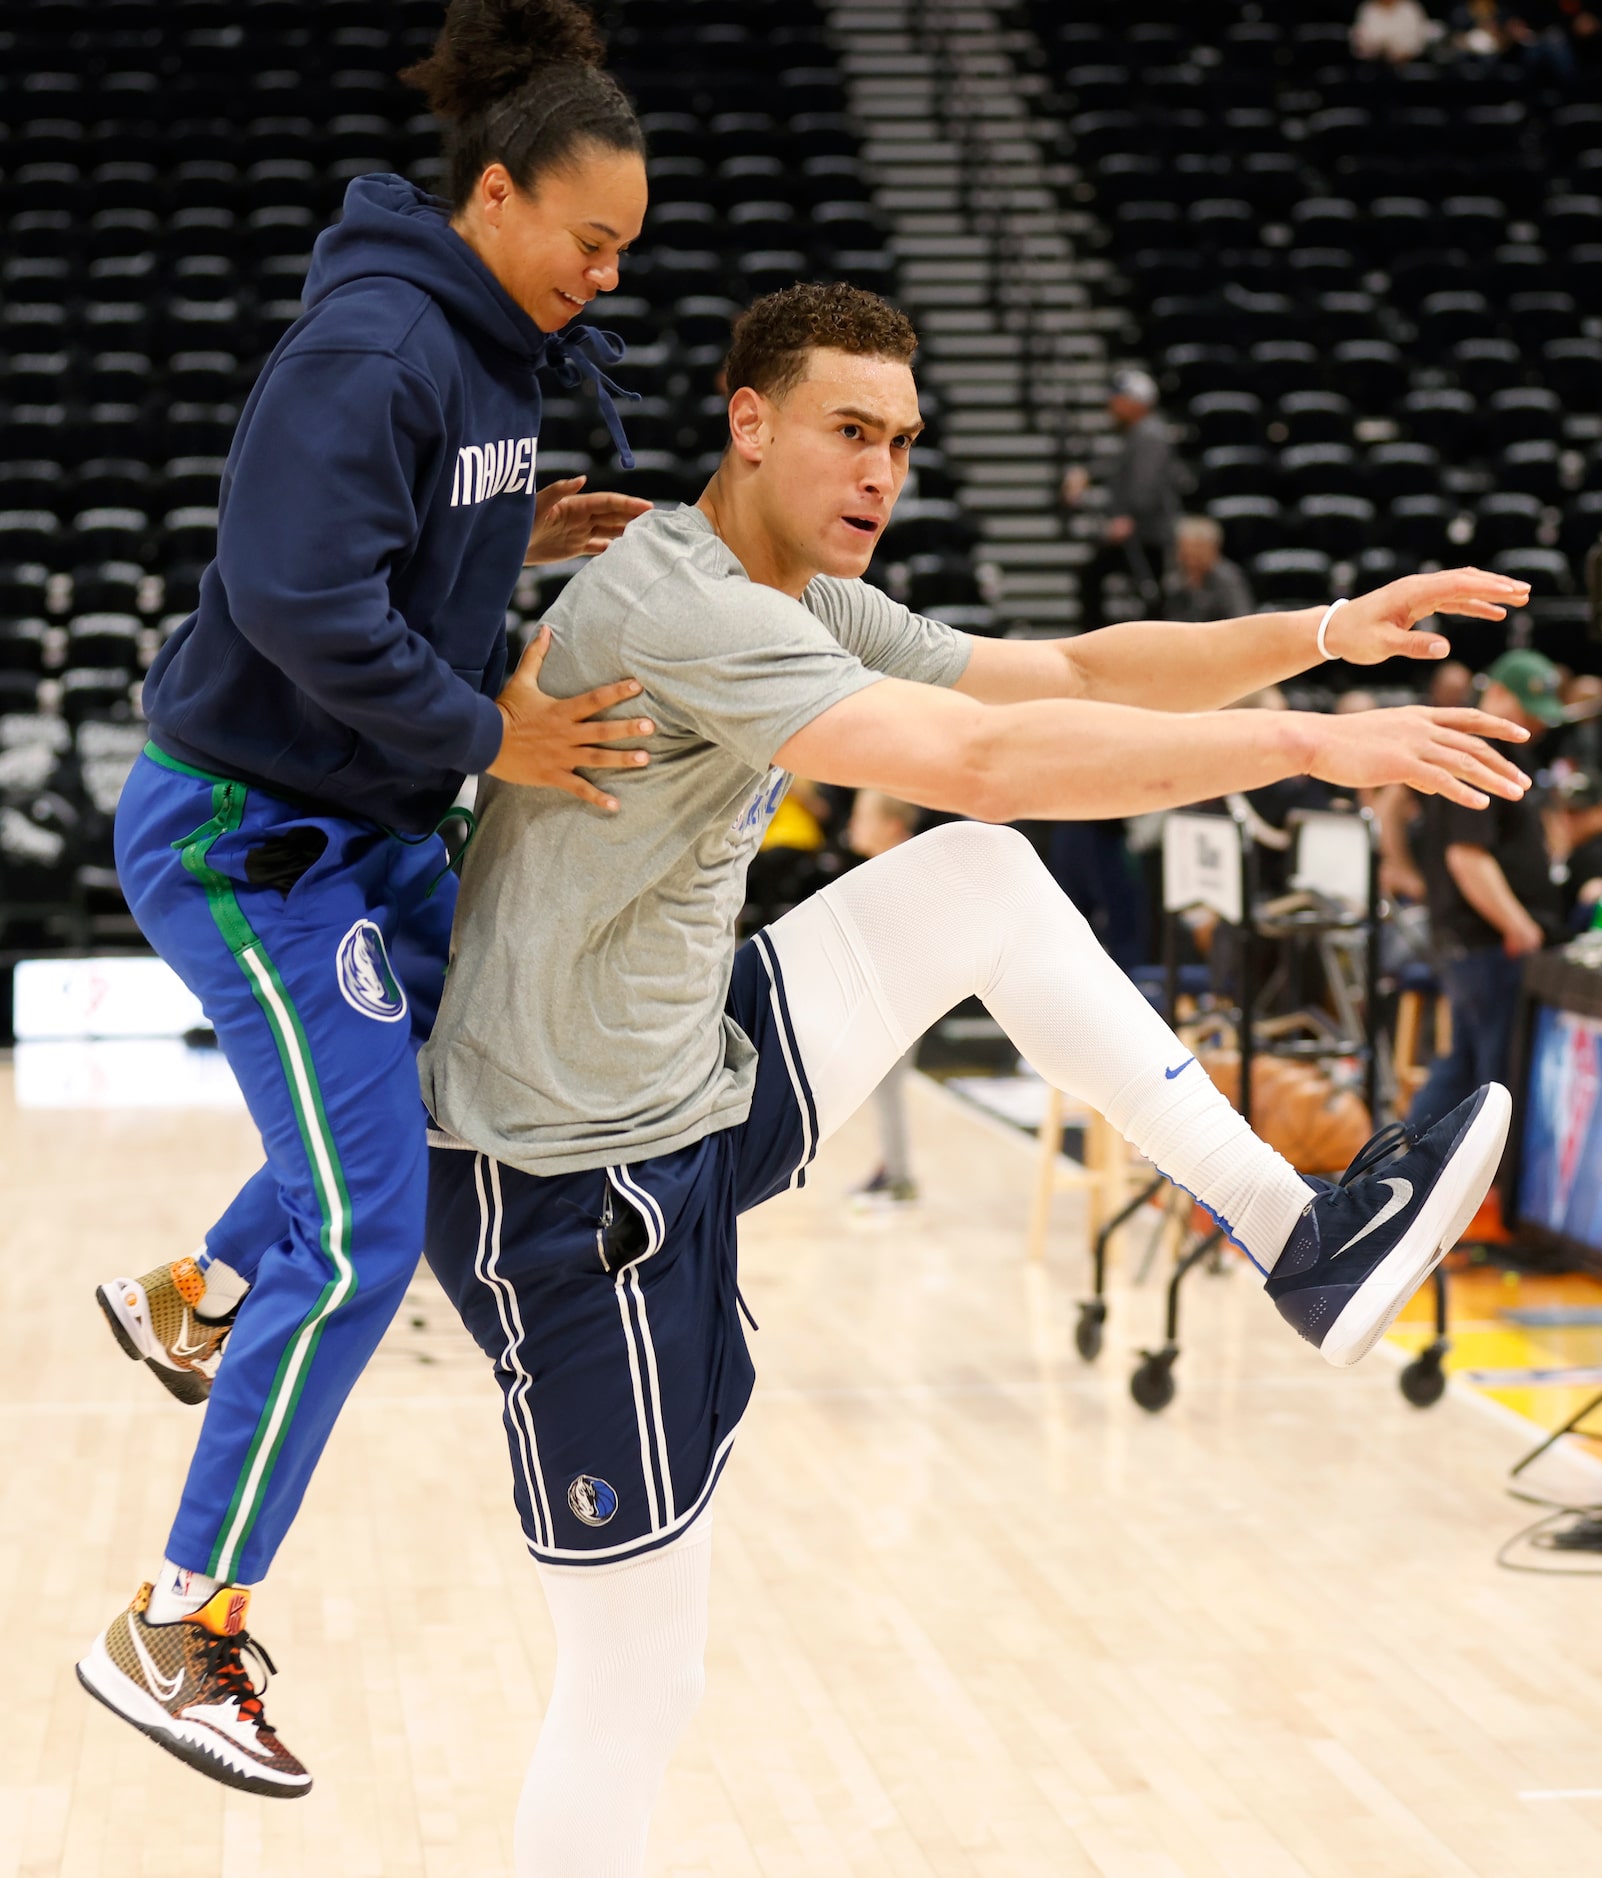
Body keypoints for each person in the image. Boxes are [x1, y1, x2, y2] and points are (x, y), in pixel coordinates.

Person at [415, 282, 1530, 1877]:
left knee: (979, 881)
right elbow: (981, 756)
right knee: (637, 1681)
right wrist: (1304, 744)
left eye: (904, 442)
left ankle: (1297, 1237)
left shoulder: (786, 586)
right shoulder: (688, 603)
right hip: (572, 1190)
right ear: (748, 422)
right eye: (849, 432)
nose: (885, 471)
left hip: (693, 1066)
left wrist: (1313, 639)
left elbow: (1060, 670)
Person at [77, 0, 655, 1797]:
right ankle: (179, 1623)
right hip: (261, 834)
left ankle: (190, 1290)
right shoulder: (384, 341)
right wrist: (496, 727)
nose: (604, 278)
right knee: (359, 1241)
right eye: (588, 240)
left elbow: (402, 543)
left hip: (361, 822)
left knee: (438, 1077)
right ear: (494, 193)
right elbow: (294, 594)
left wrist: (518, 536)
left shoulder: (489, 350)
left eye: (626, 249)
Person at [1410, 649, 1568, 1131]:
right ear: (1496, 694)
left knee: (1462, 1065)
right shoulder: (1480, 752)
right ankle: (1470, 1181)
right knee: (1494, 1078)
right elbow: (1467, 856)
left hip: (1479, 941)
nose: (1534, 727)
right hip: (1486, 942)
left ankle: (1396, 1169)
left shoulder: (1499, 753)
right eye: (1524, 712)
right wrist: (1517, 923)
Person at [844, 789, 924, 1209]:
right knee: (884, 1089)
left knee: (889, 1089)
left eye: (862, 816)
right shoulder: (884, 867)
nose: (853, 825)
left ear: (892, 824)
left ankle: (900, 1178)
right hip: (891, 997)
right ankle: (891, 1168)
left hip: (902, 1000)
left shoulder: (905, 868)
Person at [1062, 368, 1182, 630]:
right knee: (1103, 578)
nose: (1111, 405)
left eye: (1116, 398)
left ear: (1134, 401)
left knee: (1149, 593)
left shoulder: (1149, 434)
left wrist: (1129, 518)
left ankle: (1144, 648)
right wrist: (1087, 474)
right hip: (1140, 531)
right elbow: (1117, 467)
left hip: (1146, 534)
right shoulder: (1138, 433)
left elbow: (1145, 483)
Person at [1162, 514, 1253, 623]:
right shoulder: (1173, 583)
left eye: (1197, 553)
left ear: (1214, 550)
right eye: (1186, 553)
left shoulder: (1229, 580)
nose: (1191, 559)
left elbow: (1241, 619)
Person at [1352, 0, 1443, 61]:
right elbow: (1360, 40)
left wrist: (1406, 53)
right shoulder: (1367, 9)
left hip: (1410, 62)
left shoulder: (1410, 8)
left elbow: (1421, 37)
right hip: (1375, 64)